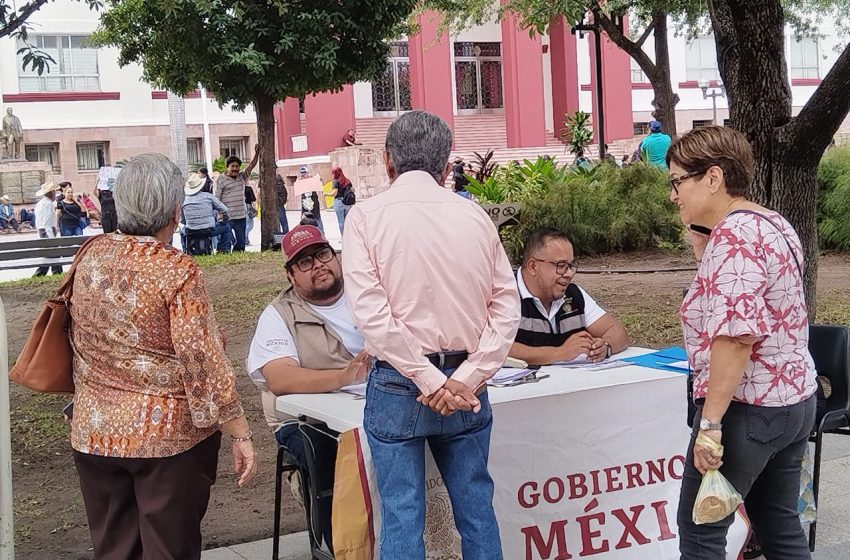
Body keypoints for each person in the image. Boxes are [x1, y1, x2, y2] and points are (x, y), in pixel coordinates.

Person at [342, 110, 521, 560]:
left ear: (387, 161)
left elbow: (372, 316)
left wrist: (431, 380)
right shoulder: (475, 217)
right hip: (463, 383)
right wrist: (467, 377)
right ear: (446, 168)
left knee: (403, 515)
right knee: (476, 511)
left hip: (403, 382)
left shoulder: (365, 217)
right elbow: (506, 304)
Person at [69, 153, 257, 560]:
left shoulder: (89, 256)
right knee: (170, 551)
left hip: (95, 431)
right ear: (175, 210)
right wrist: (239, 432)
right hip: (166, 439)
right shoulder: (176, 269)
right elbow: (201, 361)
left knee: (114, 550)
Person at [669, 126, 817, 559]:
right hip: (793, 400)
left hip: (747, 408)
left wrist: (710, 425)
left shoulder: (734, 237)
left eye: (678, 181)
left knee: (701, 532)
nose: (674, 195)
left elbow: (735, 337)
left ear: (712, 178)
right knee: (778, 523)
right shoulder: (772, 222)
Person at [246, 224, 370, 553]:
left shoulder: (369, 293)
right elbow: (279, 378)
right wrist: (344, 377)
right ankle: (341, 549)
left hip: (376, 405)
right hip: (307, 421)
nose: (318, 265)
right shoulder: (279, 315)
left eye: (323, 254)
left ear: (337, 256)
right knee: (330, 453)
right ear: (290, 275)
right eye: (304, 262)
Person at [509, 229, 629, 366]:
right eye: (561, 266)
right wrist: (559, 353)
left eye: (571, 265)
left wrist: (605, 346)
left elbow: (617, 330)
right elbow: (497, 348)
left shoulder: (573, 294)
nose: (569, 274)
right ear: (533, 266)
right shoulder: (504, 295)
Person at [214, 144, 259, 252]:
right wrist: (220, 214)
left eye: (237, 166)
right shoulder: (221, 179)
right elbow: (216, 198)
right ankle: (226, 258)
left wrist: (257, 153)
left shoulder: (242, 176)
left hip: (241, 216)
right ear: (227, 167)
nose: (235, 169)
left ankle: (238, 257)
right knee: (226, 241)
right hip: (227, 217)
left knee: (241, 242)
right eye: (232, 166)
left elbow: (251, 165)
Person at [182, 173, 230, 256]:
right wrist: (224, 219)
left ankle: (185, 252)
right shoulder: (208, 196)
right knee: (226, 227)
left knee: (182, 232)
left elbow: (182, 220)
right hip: (208, 230)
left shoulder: (183, 200)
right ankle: (222, 250)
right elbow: (225, 210)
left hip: (191, 231)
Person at [32, 182, 62, 276]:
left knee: (50, 254)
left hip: (42, 230)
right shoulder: (48, 204)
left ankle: (52, 272)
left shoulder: (40, 203)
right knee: (52, 252)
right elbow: (47, 223)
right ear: (51, 193)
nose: (55, 194)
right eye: (54, 192)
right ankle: (46, 273)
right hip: (47, 231)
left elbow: (38, 221)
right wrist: (52, 237)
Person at [298, 166, 324, 233]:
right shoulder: (299, 181)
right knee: (305, 217)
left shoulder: (312, 179)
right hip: (305, 200)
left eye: (305, 173)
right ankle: (307, 232)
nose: (304, 175)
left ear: (308, 173)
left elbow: (321, 181)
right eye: (302, 173)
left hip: (313, 199)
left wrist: (317, 179)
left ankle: (321, 233)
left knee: (317, 217)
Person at [330, 166, 354, 236]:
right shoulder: (347, 180)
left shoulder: (335, 182)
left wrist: (325, 194)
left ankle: (344, 237)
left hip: (339, 202)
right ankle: (350, 236)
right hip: (347, 203)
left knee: (341, 222)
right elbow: (353, 190)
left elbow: (334, 193)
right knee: (348, 221)